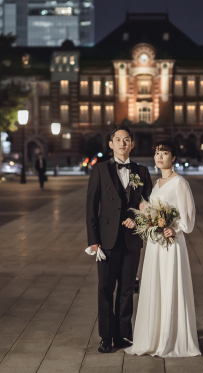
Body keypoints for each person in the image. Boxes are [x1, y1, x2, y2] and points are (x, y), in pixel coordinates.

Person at [127, 139, 200, 358]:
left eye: (165, 153)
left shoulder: (180, 183)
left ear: (174, 157)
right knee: (155, 285)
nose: (160, 157)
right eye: (157, 153)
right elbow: (154, 212)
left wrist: (175, 229)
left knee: (169, 285)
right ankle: (154, 336)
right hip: (154, 245)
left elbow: (187, 217)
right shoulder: (156, 184)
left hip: (171, 244)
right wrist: (144, 211)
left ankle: (172, 337)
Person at [86, 126, 153, 353]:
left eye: (126, 140)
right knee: (105, 289)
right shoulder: (99, 170)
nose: (122, 143)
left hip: (132, 240)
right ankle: (106, 337)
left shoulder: (142, 172)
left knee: (126, 290)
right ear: (111, 144)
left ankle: (124, 335)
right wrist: (93, 239)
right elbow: (91, 208)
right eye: (118, 139)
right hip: (106, 241)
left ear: (132, 144)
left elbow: (149, 207)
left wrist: (139, 219)